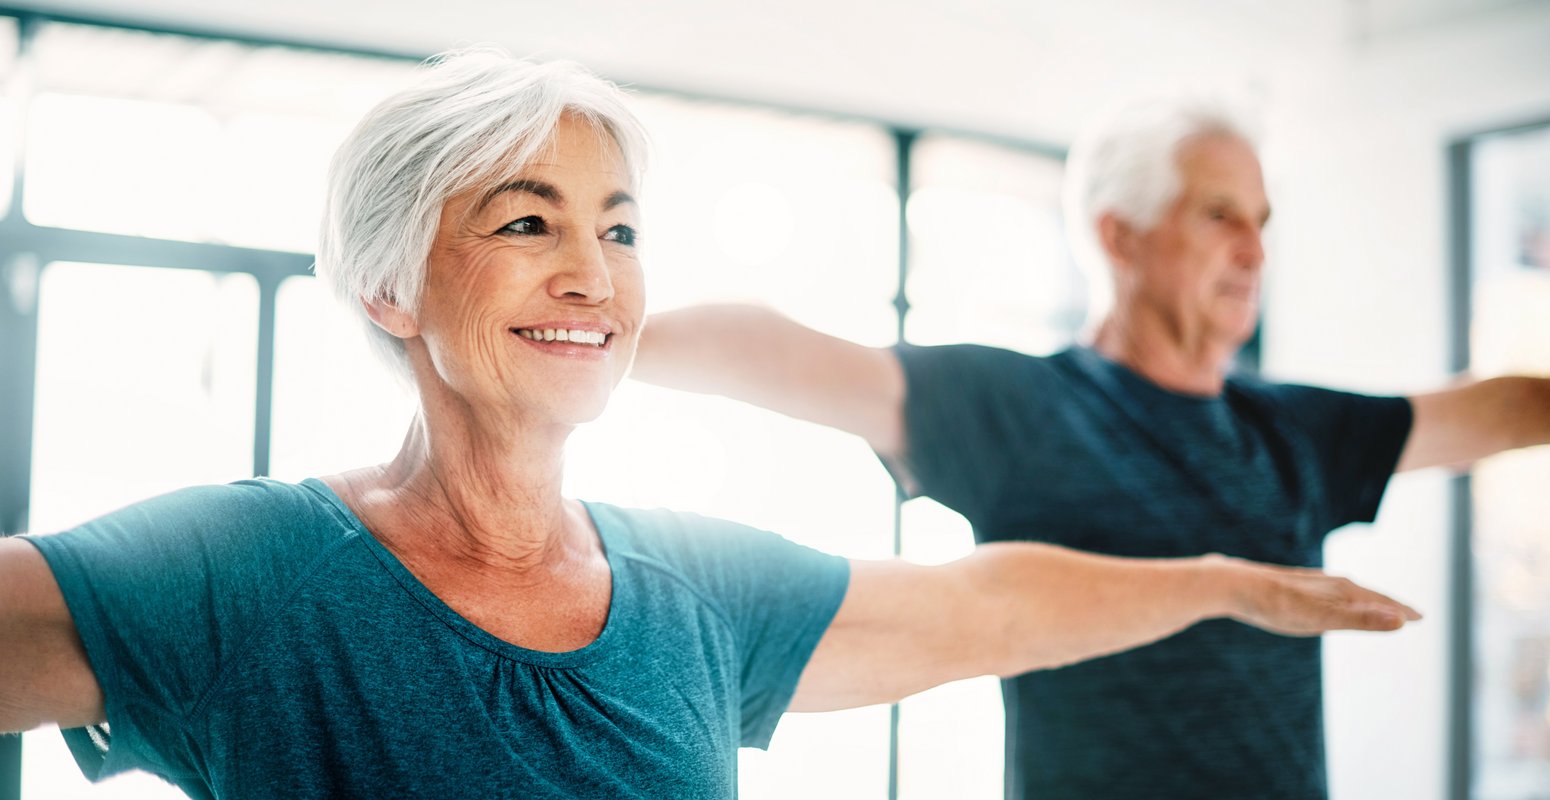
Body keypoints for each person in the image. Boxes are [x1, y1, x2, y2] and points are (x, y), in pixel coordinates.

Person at [0, 54, 1420, 800]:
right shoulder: (244, 573)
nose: (591, 272)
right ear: (386, 282)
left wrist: (1228, 583)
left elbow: (979, 606)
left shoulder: (684, 591)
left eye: (617, 229)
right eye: (525, 221)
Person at [631, 96, 1550, 799]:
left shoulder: (1296, 433)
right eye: (1219, 216)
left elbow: (1503, 412)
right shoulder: (1024, 407)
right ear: (1122, 235)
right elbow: (785, 355)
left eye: (1263, 223)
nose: (1254, 253)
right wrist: (582, 340)